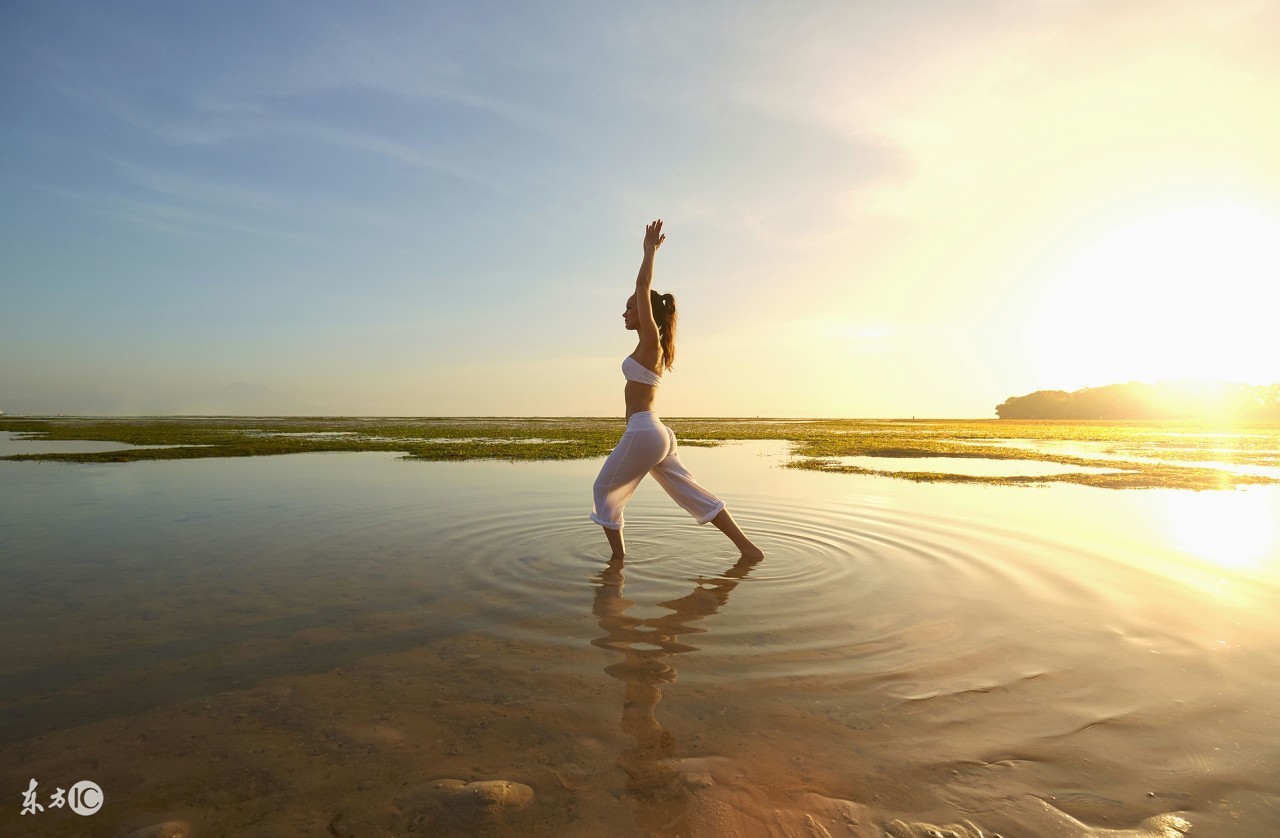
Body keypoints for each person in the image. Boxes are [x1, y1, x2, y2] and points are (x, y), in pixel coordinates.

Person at [590, 219, 764, 561]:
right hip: (657, 433)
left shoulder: (651, 342)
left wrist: (648, 251)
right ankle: (749, 550)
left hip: (644, 432)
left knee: (603, 491)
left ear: (645, 313)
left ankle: (617, 563)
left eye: (630, 307)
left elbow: (642, 283)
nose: (624, 312)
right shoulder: (650, 346)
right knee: (693, 494)